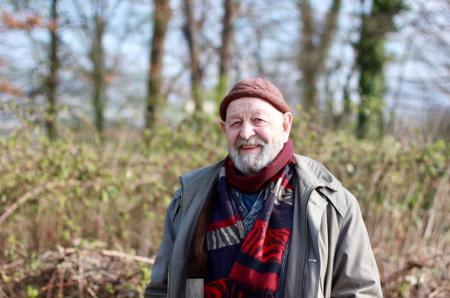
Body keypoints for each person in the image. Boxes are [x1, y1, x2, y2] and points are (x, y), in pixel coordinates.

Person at [144, 77, 383, 298]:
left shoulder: (331, 203)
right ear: (223, 129)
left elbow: (359, 291)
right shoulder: (188, 200)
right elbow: (161, 290)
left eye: (258, 120)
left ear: (285, 125)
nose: (246, 133)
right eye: (235, 123)